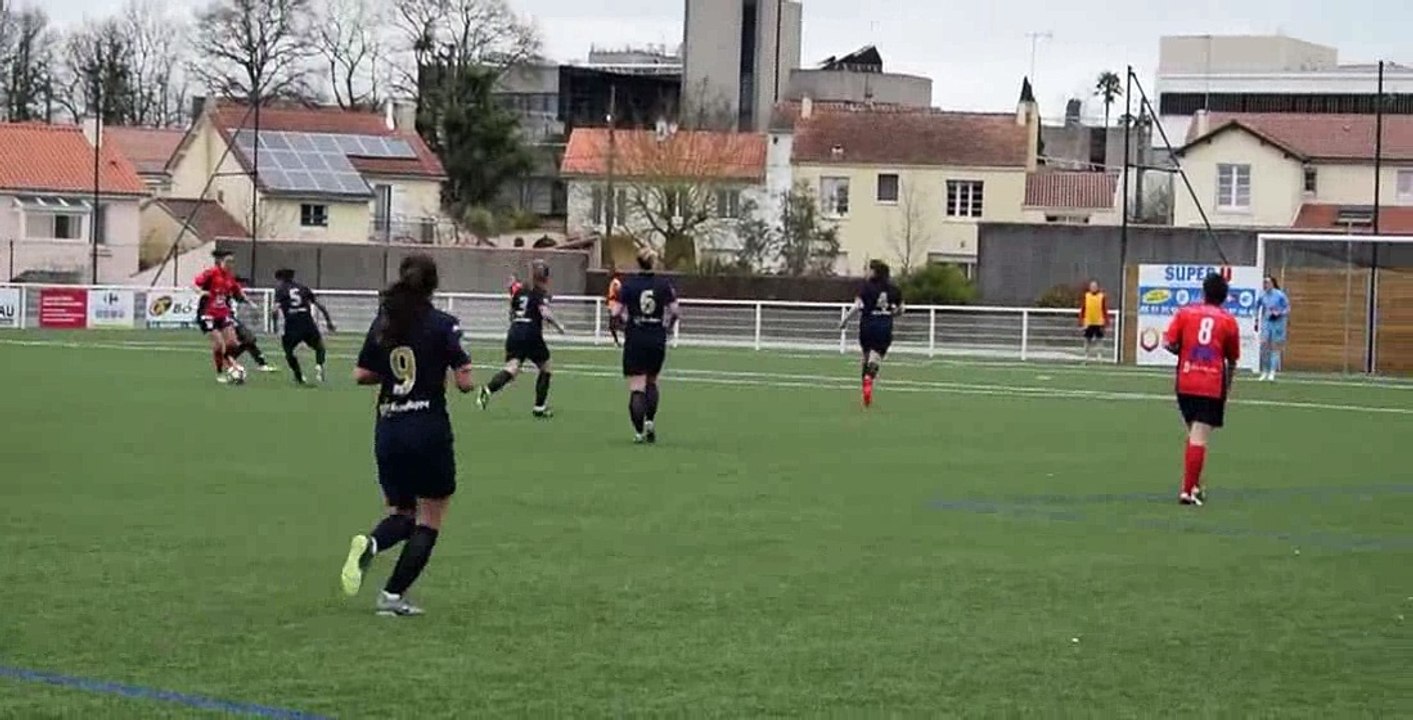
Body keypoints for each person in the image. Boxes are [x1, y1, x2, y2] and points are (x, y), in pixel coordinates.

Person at [341, 254, 474, 616]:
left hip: (389, 427)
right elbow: (465, 382)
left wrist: (393, 375)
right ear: (433, 285)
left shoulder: (386, 322)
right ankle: (392, 596)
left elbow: (360, 374)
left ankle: (371, 544)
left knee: (403, 513)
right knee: (430, 517)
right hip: (427, 427)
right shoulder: (444, 324)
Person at [1163, 272, 1241, 507]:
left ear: (1203, 292)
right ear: (1224, 297)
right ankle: (1187, 491)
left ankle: (1195, 484)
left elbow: (1169, 343)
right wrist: (1227, 388)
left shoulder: (1185, 313)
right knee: (1199, 436)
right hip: (1210, 384)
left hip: (1185, 381)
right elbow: (1232, 359)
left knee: (1194, 434)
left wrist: (1185, 351)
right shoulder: (1228, 321)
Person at [477, 260, 566, 417]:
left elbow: (511, 313)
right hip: (530, 332)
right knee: (545, 367)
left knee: (512, 368)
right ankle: (539, 407)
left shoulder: (519, 291)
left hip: (515, 330)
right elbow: (544, 312)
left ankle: (488, 389)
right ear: (546, 277)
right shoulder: (540, 292)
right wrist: (559, 326)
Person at [611, 248, 680, 444]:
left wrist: (624, 325)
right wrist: (668, 327)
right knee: (652, 381)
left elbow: (615, 313)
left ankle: (639, 432)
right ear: (653, 263)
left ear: (638, 262)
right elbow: (676, 311)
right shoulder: (663, 285)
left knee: (637, 386)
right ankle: (650, 421)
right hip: (656, 336)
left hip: (636, 336)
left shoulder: (628, 285)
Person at [838, 260, 904, 408]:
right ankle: (869, 377)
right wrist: (892, 313)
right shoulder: (894, 289)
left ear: (875, 272)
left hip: (867, 325)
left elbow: (857, 306)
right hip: (884, 326)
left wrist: (845, 320)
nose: (867, 272)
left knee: (866, 356)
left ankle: (865, 387)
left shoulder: (866, 287)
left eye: (869, 269)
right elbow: (901, 309)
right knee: (877, 356)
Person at [194, 250, 250, 383]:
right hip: (208, 314)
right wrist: (201, 292)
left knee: (233, 343)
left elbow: (237, 291)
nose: (230, 264)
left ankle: (229, 363)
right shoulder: (211, 272)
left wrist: (246, 299)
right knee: (219, 344)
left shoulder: (230, 277)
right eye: (228, 261)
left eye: (232, 262)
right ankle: (220, 372)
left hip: (223, 313)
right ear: (221, 262)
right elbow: (195, 284)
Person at [274, 268, 336, 385]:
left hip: (292, 325)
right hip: (307, 322)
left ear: (280, 279)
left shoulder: (280, 290)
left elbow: (274, 310)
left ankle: (299, 376)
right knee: (319, 347)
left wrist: (274, 326)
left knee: (289, 352)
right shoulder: (303, 288)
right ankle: (319, 366)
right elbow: (320, 306)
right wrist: (329, 322)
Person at [1255, 275, 1290, 382]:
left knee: (1275, 347)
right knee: (1264, 346)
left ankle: (1272, 372)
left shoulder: (1280, 295)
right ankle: (1264, 371)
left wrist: (1279, 313)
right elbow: (1257, 307)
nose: (1265, 285)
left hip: (1278, 323)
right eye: (1264, 282)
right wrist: (1256, 320)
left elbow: (1287, 308)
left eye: (1267, 282)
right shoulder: (1262, 295)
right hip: (1266, 322)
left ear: (1272, 283)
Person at [1079, 280, 1111, 363]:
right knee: (1087, 339)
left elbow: (1104, 309)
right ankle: (1086, 356)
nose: (1093, 288)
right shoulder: (1086, 296)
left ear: (1097, 287)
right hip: (1088, 321)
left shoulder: (1101, 296)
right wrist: (1081, 320)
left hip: (1099, 322)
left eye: (1095, 286)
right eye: (1092, 286)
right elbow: (1083, 309)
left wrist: (1106, 321)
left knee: (1099, 340)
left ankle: (1099, 356)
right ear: (1089, 287)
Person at [606, 266, 624, 347]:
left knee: (614, 324)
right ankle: (616, 341)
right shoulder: (613, 282)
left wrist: (613, 298)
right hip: (612, 305)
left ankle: (617, 341)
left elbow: (618, 292)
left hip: (615, 306)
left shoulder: (615, 282)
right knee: (614, 325)